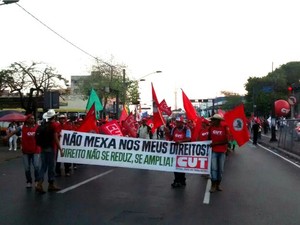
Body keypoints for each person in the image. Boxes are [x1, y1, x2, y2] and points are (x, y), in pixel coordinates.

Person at [35, 109, 64, 194]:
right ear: (54, 117)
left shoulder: (44, 124)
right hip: (51, 148)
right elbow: (55, 138)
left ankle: (39, 183)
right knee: (51, 166)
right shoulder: (55, 125)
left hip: (43, 148)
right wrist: (60, 149)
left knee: (43, 166)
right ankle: (50, 184)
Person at [166, 116, 191, 188]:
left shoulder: (186, 129)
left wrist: (181, 141)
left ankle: (182, 180)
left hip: (183, 151)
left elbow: (188, 138)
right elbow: (171, 138)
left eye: (178, 122)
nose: (177, 124)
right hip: (175, 150)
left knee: (182, 166)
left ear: (182, 123)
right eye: (176, 122)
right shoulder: (174, 129)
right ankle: (176, 180)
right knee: (175, 166)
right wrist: (167, 132)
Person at [208, 113, 230, 193]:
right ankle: (213, 185)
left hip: (222, 151)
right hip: (213, 151)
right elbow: (209, 138)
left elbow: (226, 140)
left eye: (213, 120)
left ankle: (218, 185)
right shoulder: (211, 128)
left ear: (218, 121)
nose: (212, 121)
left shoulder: (224, 128)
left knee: (220, 169)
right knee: (213, 169)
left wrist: (215, 144)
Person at [21, 114, 41, 188]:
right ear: (27, 120)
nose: (33, 120)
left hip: (35, 151)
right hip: (25, 151)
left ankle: (37, 181)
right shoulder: (22, 127)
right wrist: (7, 136)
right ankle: (29, 181)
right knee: (27, 168)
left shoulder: (37, 127)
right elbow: (14, 132)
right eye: (31, 118)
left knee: (36, 166)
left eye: (33, 118)